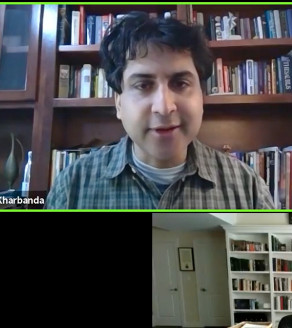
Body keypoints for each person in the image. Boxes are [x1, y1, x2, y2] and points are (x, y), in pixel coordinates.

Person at [45, 11, 275, 209]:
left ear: (201, 96)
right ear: (119, 103)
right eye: (143, 85)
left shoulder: (248, 188)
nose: (164, 108)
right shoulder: (72, 186)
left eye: (180, 83)